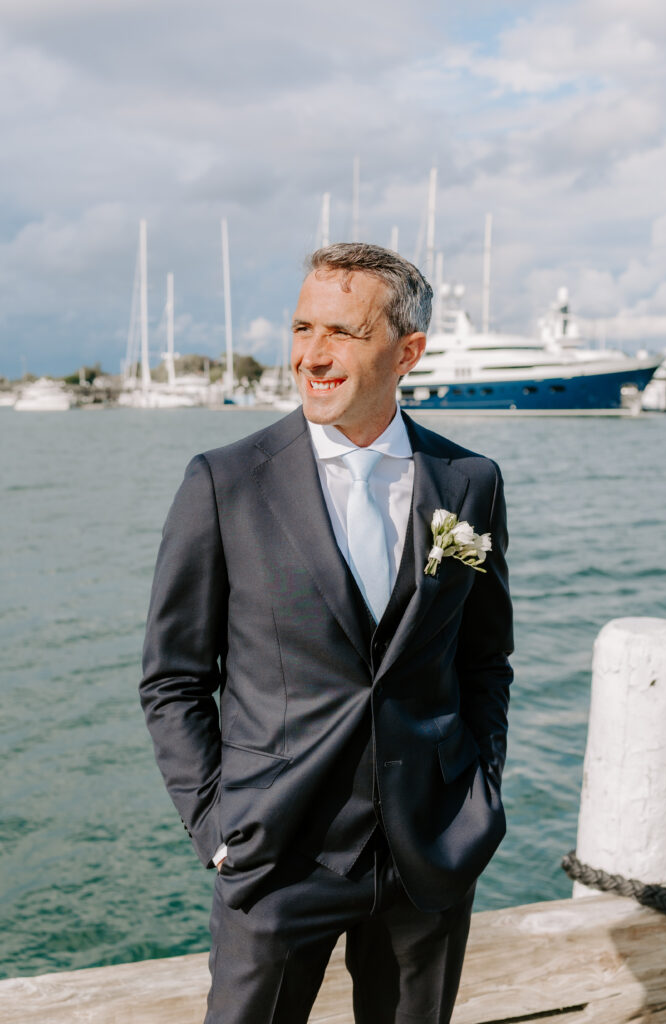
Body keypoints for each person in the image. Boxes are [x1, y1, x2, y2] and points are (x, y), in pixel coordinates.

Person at [140, 242, 513, 1024]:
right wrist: (215, 824)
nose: (311, 354)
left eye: (341, 332)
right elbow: (173, 679)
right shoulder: (223, 482)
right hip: (277, 855)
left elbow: (484, 657)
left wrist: (477, 788)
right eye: (302, 327)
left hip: (430, 848)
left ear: (407, 351)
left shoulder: (468, 481)